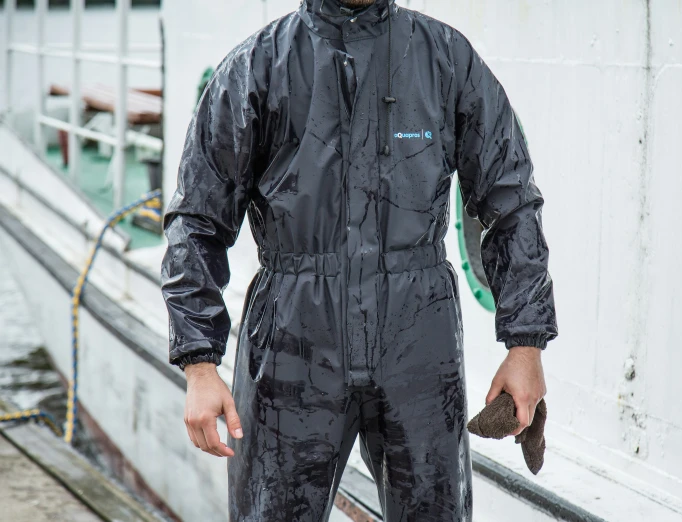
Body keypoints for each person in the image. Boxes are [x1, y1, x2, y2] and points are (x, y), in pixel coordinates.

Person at [160, 0, 557, 520]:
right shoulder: (257, 66)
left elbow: (512, 203)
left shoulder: (445, 59)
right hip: (291, 342)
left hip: (419, 343)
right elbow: (196, 220)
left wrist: (525, 346)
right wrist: (198, 362)